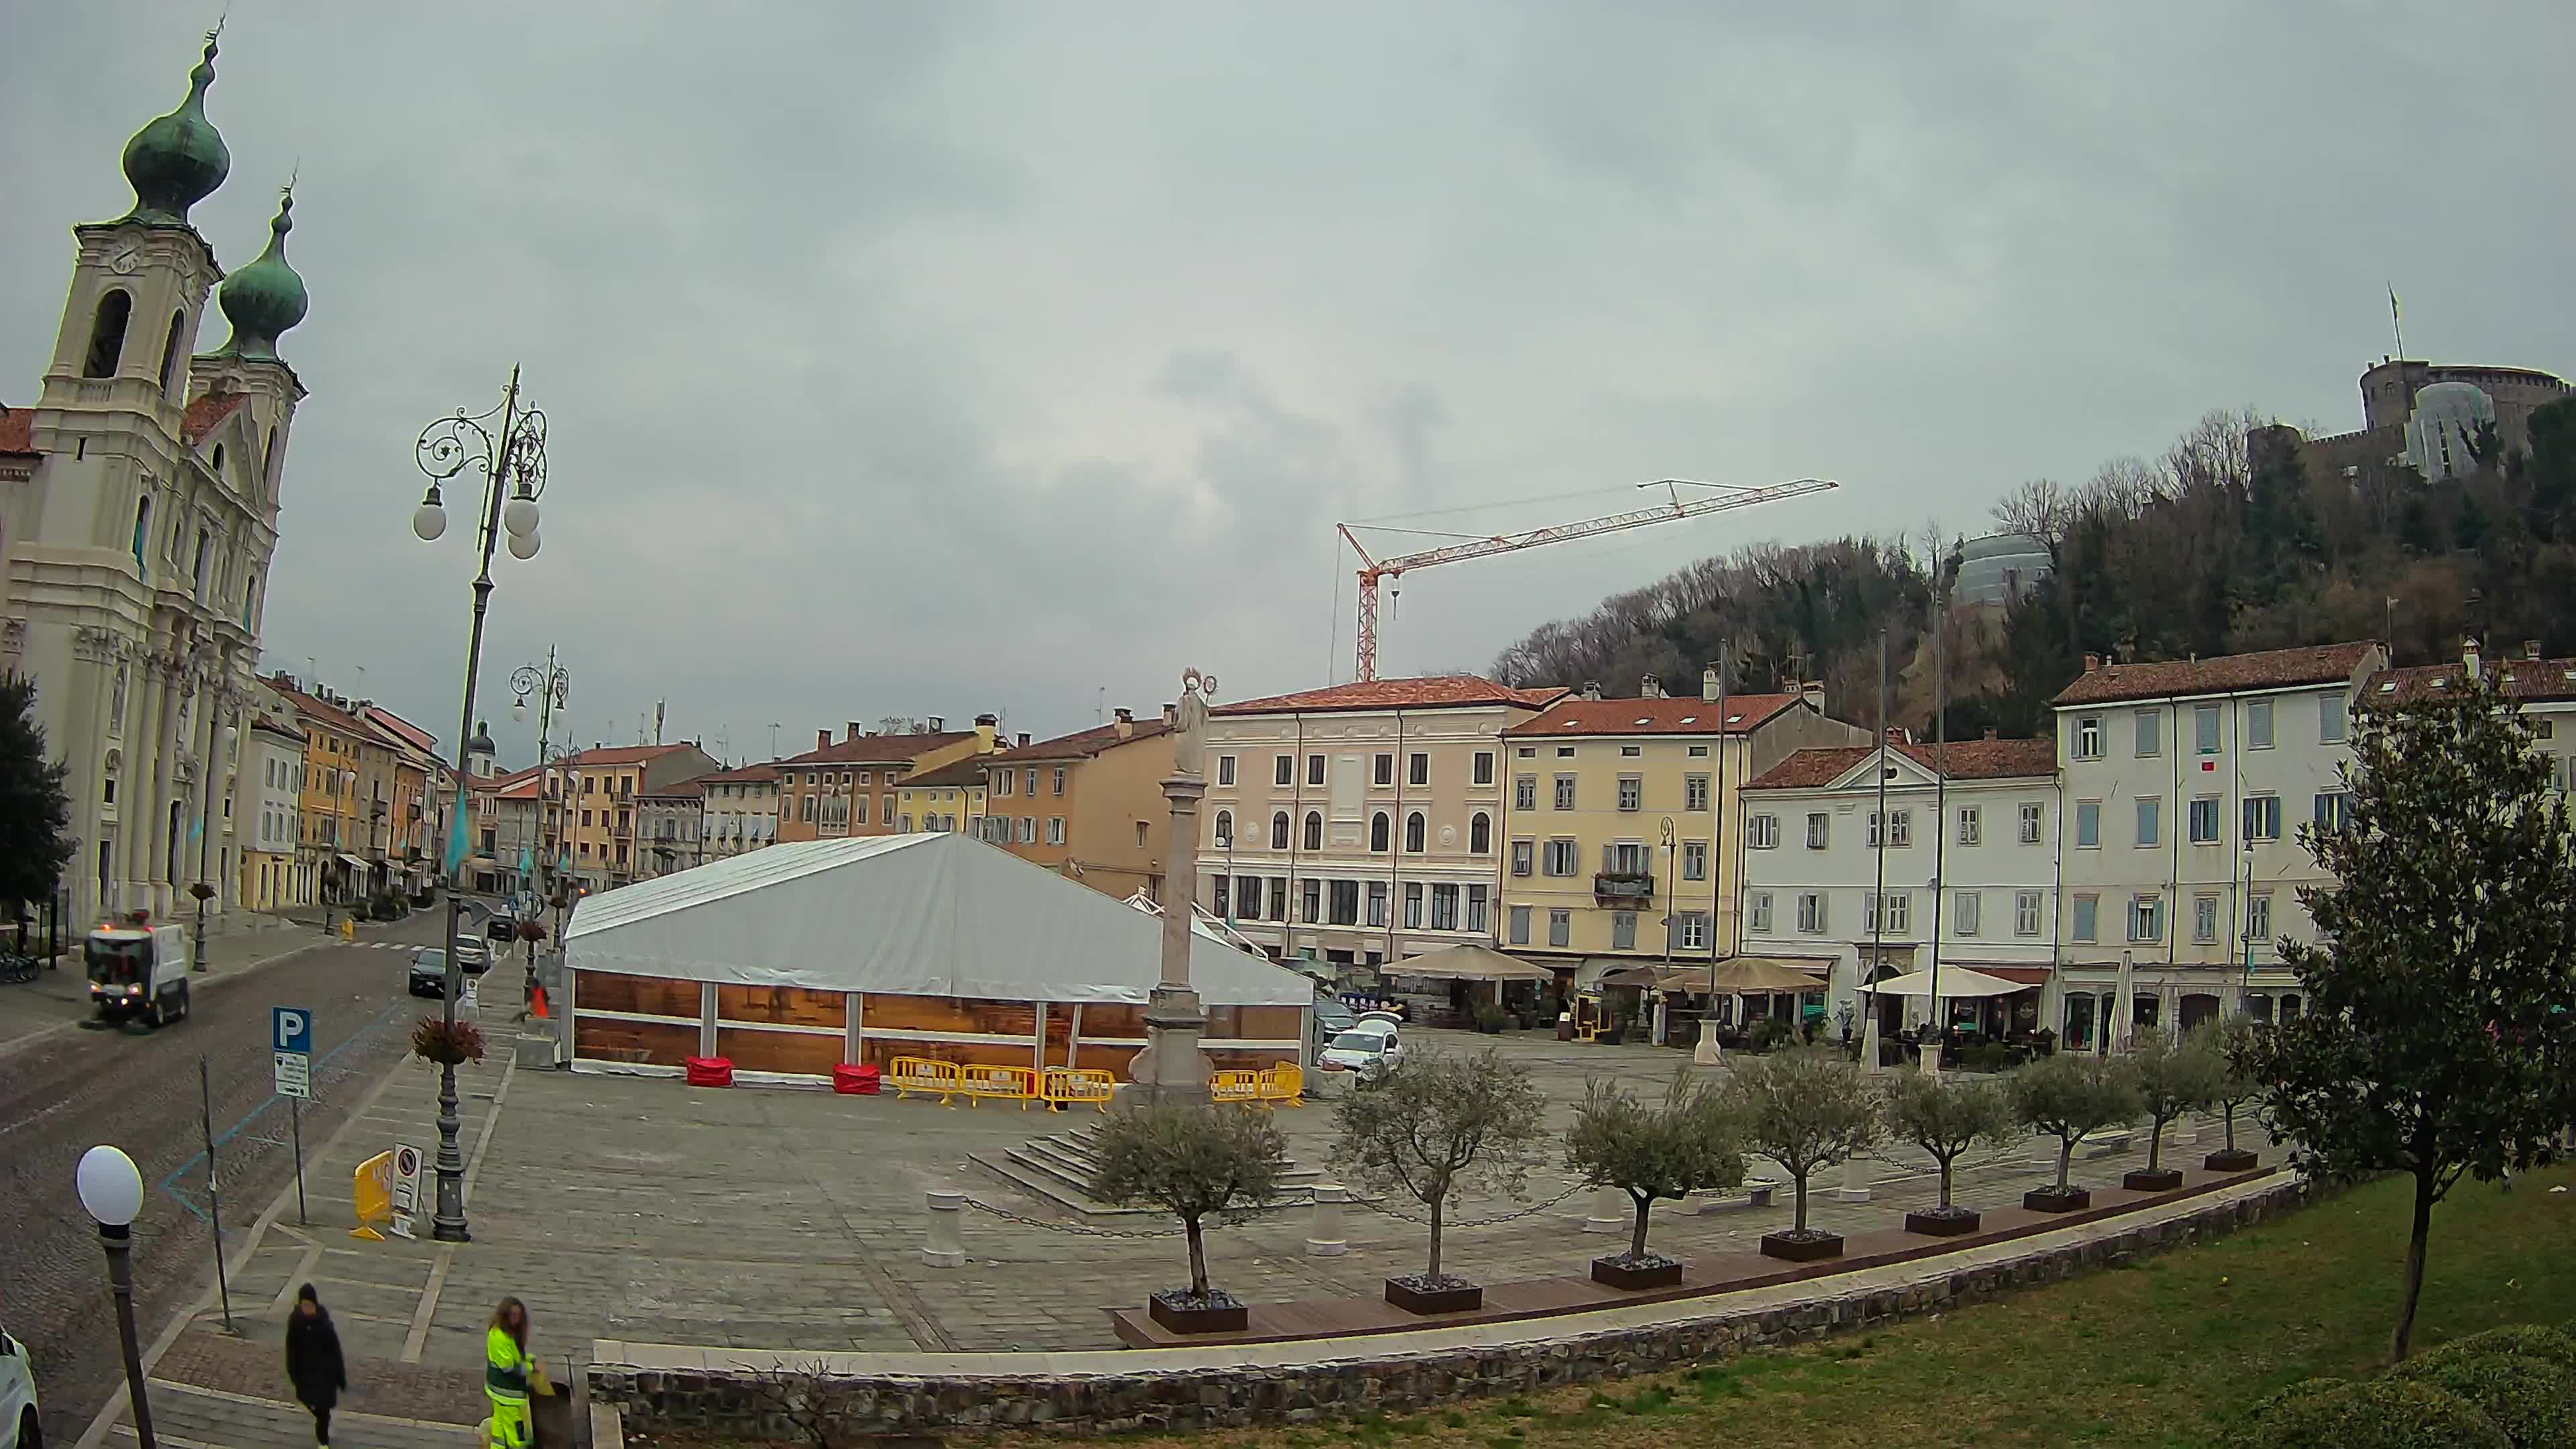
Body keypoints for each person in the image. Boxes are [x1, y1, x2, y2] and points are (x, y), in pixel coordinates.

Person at [283, 1284, 346, 1445]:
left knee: (323, 1411)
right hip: (306, 1376)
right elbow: (291, 1351)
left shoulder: (324, 1323)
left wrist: (340, 1377)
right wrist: (293, 1373)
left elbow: (335, 1351)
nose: (307, 1309)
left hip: (325, 1376)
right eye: (304, 1305)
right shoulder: (296, 1324)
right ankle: (323, 1420)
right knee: (313, 1405)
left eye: (310, 1305)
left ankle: (323, 1443)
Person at [484, 1297, 538, 1448]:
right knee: (517, 1433)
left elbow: (513, 1358)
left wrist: (529, 1359)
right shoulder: (502, 1338)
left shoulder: (502, 1333)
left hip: (498, 1391)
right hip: (507, 1394)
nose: (517, 1319)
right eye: (513, 1315)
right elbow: (509, 1368)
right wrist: (531, 1368)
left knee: (500, 1427)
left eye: (519, 1315)